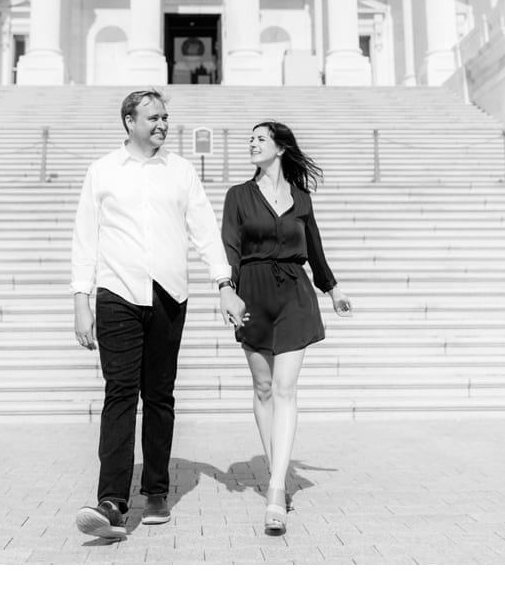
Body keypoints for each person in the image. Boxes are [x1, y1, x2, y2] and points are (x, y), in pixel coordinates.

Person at [71, 89, 248, 540]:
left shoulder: (181, 171)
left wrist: (224, 285)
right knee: (120, 393)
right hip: (117, 293)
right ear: (129, 121)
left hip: (169, 294)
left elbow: (206, 231)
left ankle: (155, 490)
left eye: (165, 117)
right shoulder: (103, 171)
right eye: (153, 117)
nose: (162, 124)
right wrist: (81, 300)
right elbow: (85, 239)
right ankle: (111, 501)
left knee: (160, 395)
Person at [222, 121, 352, 536]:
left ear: (279, 148)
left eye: (260, 139)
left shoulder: (301, 198)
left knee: (285, 388)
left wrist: (332, 290)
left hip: (296, 295)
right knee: (263, 388)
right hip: (254, 293)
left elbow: (314, 248)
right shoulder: (238, 196)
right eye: (251, 139)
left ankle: (276, 487)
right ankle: (276, 465)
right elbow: (230, 246)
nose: (252, 143)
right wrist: (228, 290)